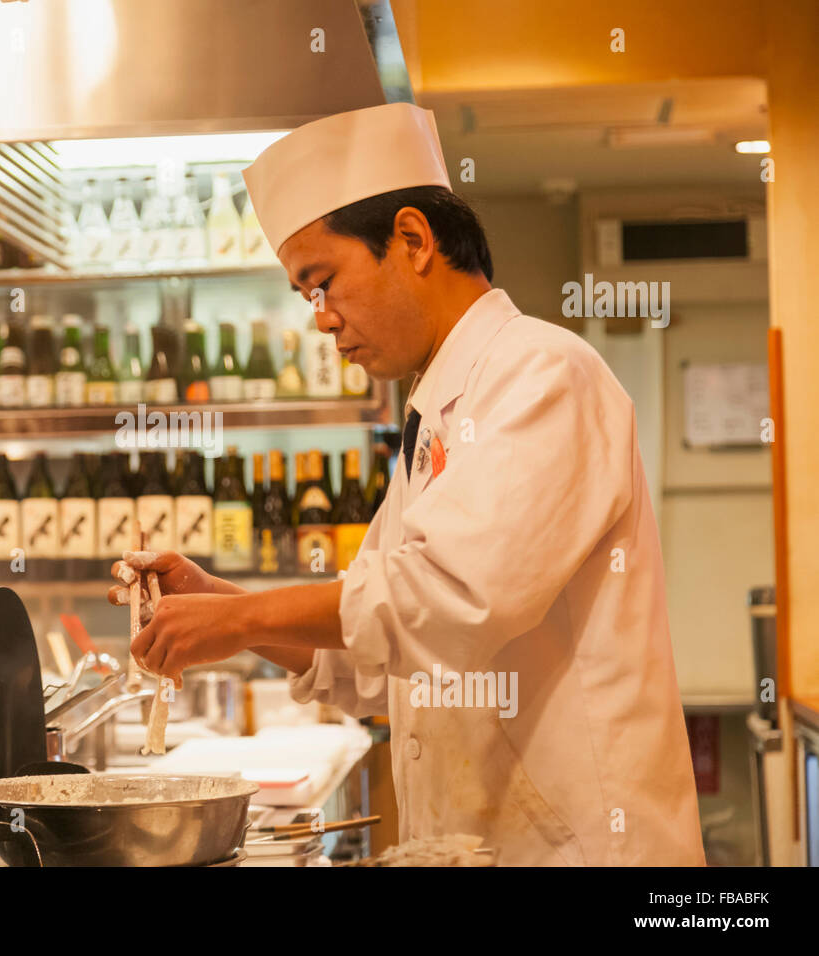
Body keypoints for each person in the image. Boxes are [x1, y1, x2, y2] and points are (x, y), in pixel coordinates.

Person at [108, 102, 703, 866]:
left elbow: (449, 598)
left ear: (413, 240)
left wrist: (244, 617)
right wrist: (221, 605)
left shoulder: (543, 374)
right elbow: (375, 650)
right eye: (305, 298)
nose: (321, 321)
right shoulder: (433, 418)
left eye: (322, 283)